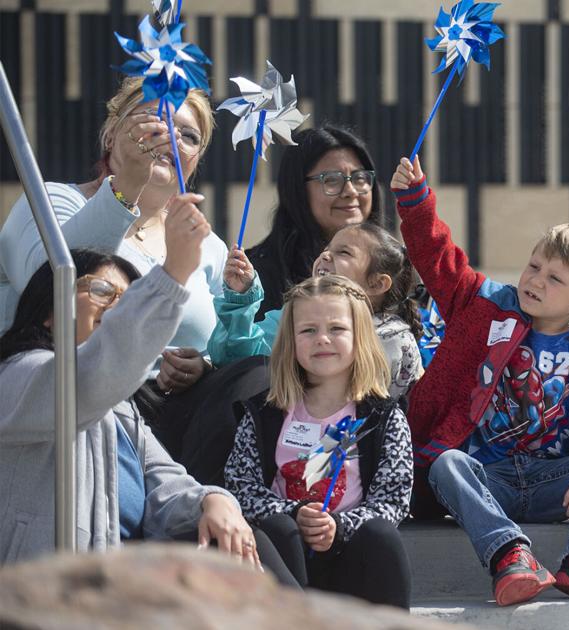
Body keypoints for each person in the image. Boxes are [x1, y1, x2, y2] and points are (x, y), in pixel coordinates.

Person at [392, 157, 569, 606]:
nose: (536, 281)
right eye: (534, 267)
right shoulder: (484, 304)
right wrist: (416, 203)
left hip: (554, 483)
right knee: (447, 463)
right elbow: (437, 257)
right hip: (486, 478)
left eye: (555, 279)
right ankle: (509, 553)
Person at [0, 212, 288, 581]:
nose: (117, 307)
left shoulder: (119, 403)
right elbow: (89, 380)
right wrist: (174, 273)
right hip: (43, 586)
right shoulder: (21, 375)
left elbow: (163, 480)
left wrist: (213, 501)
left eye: (128, 298)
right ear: (49, 312)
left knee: (251, 538)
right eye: (101, 291)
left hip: (120, 573)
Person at [0, 77, 225, 400]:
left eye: (188, 136)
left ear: (196, 160)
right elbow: (49, 286)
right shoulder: (48, 201)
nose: (170, 136)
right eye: (154, 121)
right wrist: (126, 188)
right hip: (68, 402)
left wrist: (204, 365)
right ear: (110, 135)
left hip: (182, 414)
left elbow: (224, 341)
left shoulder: (204, 242)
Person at [224, 274, 414, 607]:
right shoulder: (265, 413)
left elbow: (393, 501)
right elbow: (240, 486)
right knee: (277, 527)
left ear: (360, 338)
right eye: (308, 330)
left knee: (381, 536)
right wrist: (295, 513)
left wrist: (338, 527)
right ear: (291, 340)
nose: (322, 339)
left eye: (337, 329)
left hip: (350, 554)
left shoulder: (383, 418)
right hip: (286, 561)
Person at [213, 221, 422, 399]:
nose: (326, 256)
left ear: (377, 284)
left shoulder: (393, 340)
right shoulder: (292, 317)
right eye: (326, 249)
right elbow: (237, 360)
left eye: (343, 252)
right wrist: (241, 299)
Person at [245, 126, 389, 318]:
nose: (351, 191)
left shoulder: (394, 265)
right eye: (331, 180)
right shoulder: (254, 276)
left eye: (360, 178)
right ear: (296, 189)